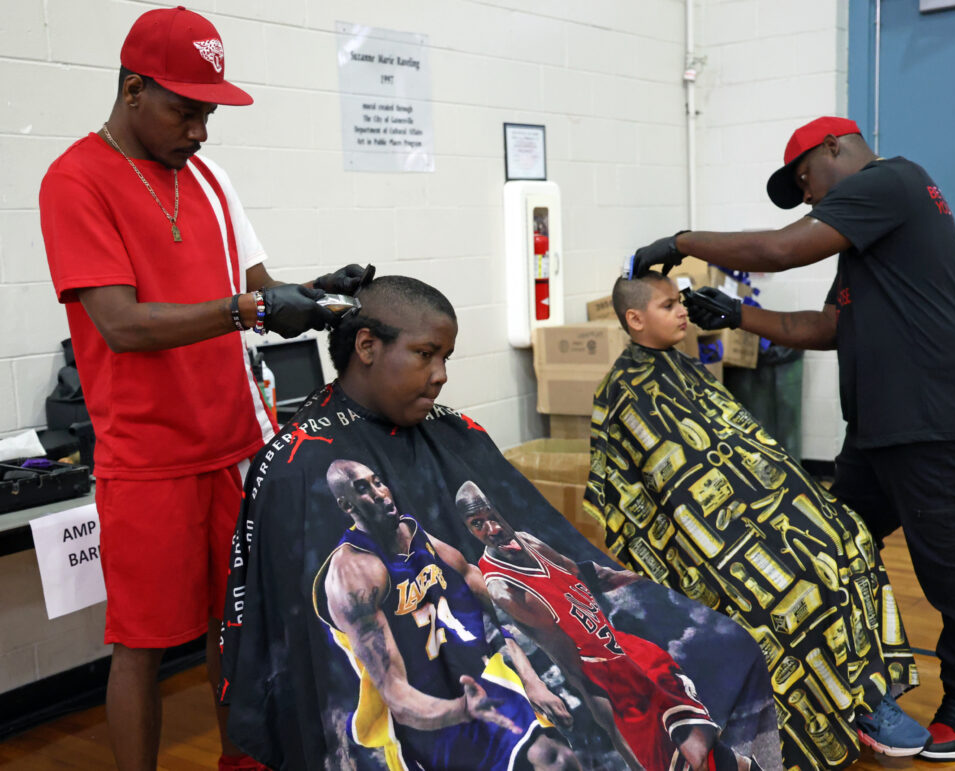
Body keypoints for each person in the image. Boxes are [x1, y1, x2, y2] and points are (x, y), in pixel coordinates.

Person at [220, 275, 784, 770]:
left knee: (729, 649)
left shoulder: (453, 432)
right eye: (425, 355)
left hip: (507, 654)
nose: (440, 375)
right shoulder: (300, 467)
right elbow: (338, 663)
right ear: (366, 346)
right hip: (430, 701)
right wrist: (464, 702)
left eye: (447, 357)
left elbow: (522, 559)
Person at [38, 7, 370, 770]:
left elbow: (259, 290)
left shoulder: (211, 180)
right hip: (148, 456)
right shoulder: (75, 180)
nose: (200, 131)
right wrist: (246, 308)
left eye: (208, 113)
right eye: (185, 110)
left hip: (234, 443)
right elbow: (121, 324)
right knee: (142, 646)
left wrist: (323, 293)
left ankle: (240, 761)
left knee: (238, 627)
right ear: (131, 92)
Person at [629, 115, 955, 761]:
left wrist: (683, 240)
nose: (807, 197)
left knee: (948, 558)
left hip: (932, 410)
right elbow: (829, 323)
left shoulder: (894, 181)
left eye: (804, 179)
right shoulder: (866, 240)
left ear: (835, 146)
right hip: (882, 424)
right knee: (829, 544)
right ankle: (854, 684)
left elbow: (780, 249)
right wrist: (739, 314)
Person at [585, 272, 932, 769]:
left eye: (681, 302)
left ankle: (866, 695)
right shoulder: (624, 392)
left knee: (848, 536)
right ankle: (842, 710)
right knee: (797, 582)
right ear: (635, 318)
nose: (683, 311)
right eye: (668, 306)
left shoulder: (682, 367)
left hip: (756, 507)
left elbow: (741, 446)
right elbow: (665, 489)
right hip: (708, 536)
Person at [457, 480, 760, 771]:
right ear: (469, 529)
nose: (492, 529)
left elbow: (590, 574)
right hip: (602, 675)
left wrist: (648, 582)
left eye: (491, 516)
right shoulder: (505, 589)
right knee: (674, 753)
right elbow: (571, 662)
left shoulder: (528, 540)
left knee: (704, 740)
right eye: (478, 523)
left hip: (625, 646)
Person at [312, 458, 579, 770]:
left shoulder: (417, 536)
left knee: (557, 758)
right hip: (425, 713)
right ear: (346, 505)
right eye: (363, 489)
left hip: (476, 678)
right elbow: (396, 695)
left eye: (377, 481)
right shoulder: (353, 575)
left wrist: (531, 680)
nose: (380, 493)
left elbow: (492, 608)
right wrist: (463, 710)